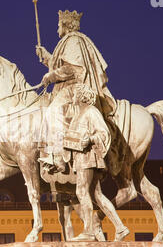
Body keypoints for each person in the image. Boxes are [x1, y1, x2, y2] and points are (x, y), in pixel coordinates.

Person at [37, 10, 116, 172]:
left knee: (53, 111)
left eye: (59, 25)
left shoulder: (73, 41)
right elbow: (62, 64)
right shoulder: (69, 41)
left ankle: (57, 157)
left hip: (74, 88)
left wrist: (50, 76)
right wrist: (46, 58)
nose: (57, 28)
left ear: (66, 25)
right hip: (65, 87)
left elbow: (73, 69)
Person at [61, 84, 129, 241]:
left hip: (88, 158)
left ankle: (89, 232)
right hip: (80, 158)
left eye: (75, 94)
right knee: (96, 195)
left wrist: (89, 139)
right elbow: (75, 136)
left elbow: (103, 133)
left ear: (82, 96)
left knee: (81, 192)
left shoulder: (91, 111)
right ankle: (120, 227)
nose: (73, 97)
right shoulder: (79, 115)